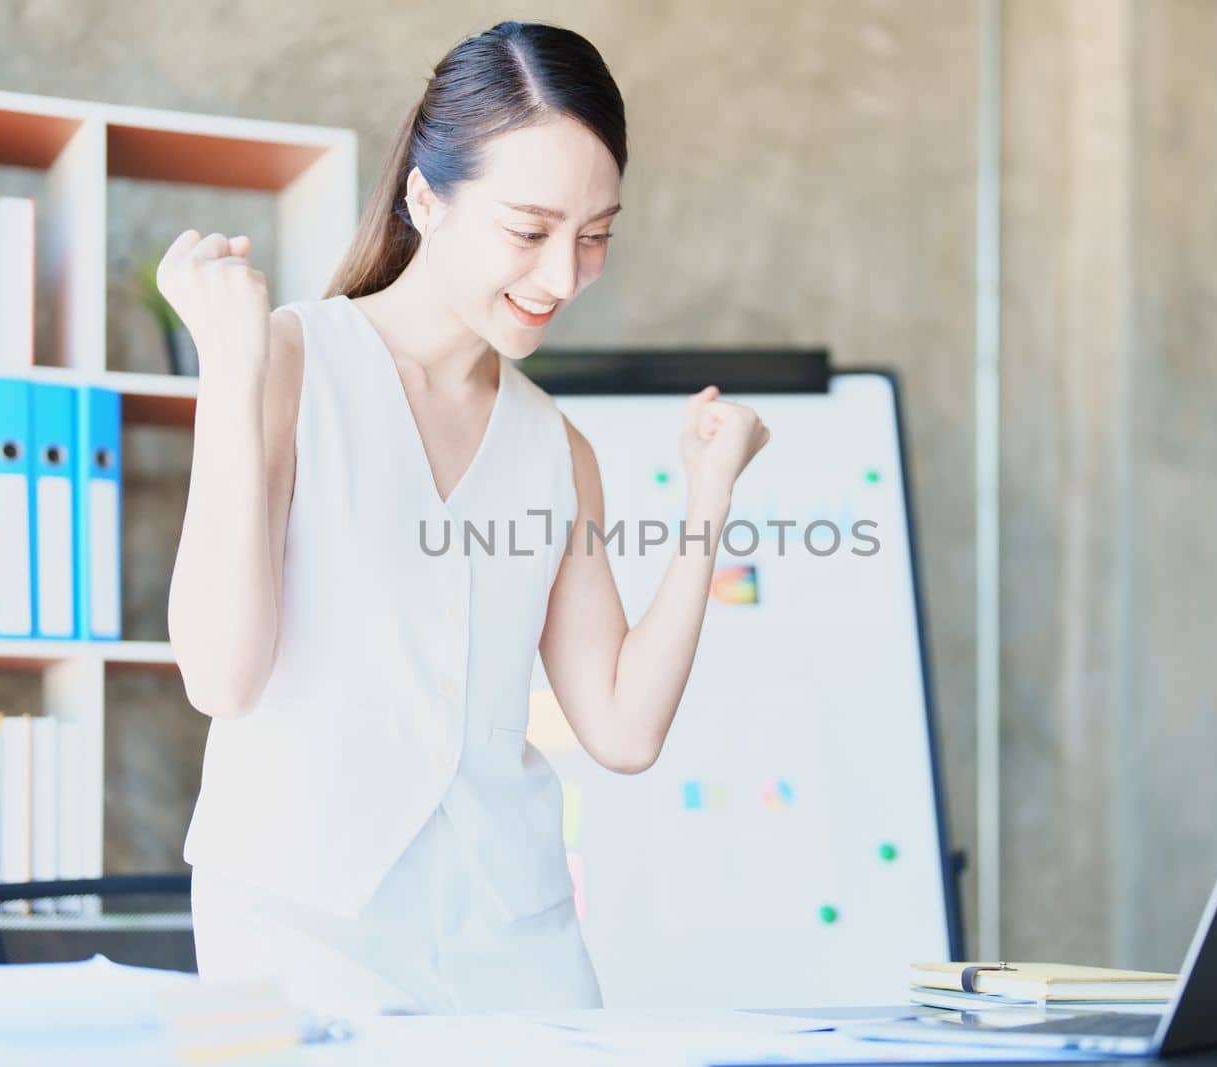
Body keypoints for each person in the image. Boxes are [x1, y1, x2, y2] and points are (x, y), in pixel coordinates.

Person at [164, 20, 770, 1016]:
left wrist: (708, 495)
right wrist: (232, 372)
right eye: (529, 231)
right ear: (422, 196)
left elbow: (621, 726)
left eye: (596, 234)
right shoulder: (287, 365)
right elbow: (223, 675)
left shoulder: (554, 448)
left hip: (513, 939)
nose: (563, 276)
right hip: (296, 923)